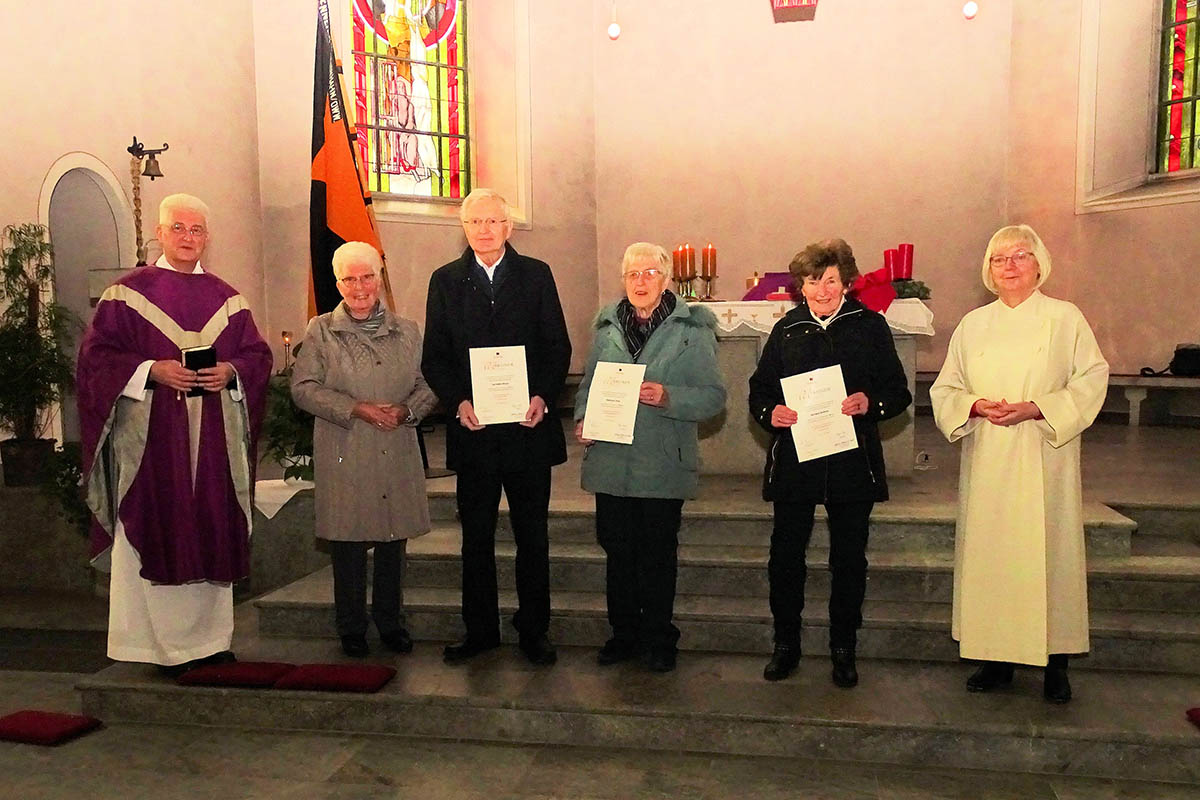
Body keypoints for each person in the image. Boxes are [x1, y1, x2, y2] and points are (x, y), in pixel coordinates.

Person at [76, 193, 272, 676]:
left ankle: (211, 641)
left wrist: (230, 370)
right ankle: (158, 648)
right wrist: (149, 370)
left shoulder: (229, 299)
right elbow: (95, 359)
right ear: (160, 234)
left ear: (208, 237)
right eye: (179, 229)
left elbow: (258, 357)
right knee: (159, 525)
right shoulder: (126, 294)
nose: (188, 238)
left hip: (214, 448)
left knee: (210, 525)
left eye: (197, 230)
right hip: (153, 447)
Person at [929, 224, 1108, 704]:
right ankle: (996, 658)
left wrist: (1037, 408)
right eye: (998, 259)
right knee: (993, 556)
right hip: (989, 455)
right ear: (988, 269)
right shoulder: (973, 324)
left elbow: (1092, 378)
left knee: (1049, 553)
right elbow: (945, 388)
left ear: (1039, 263)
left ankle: (1056, 663)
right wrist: (974, 405)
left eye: (1019, 256)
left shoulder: (1064, 318)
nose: (1008, 266)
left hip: (1043, 452)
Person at [748, 239, 911, 687]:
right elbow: (760, 391)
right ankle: (786, 644)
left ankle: (844, 648)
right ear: (801, 285)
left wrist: (869, 403)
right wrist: (771, 414)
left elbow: (899, 393)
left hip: (851, 463)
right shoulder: (786, 330)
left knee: (848, 559)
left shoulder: (870, 327)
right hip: (797, 464)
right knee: (785, 557)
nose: (822, 289)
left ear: (847, 282)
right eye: (813, 280)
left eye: (832, 280)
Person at [421, 188, 571, 666]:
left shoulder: (536, 275)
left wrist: (543, 396)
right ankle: (480, 630)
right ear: (463, 229)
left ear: (508, 227)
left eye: (492, 221)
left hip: (528, 429)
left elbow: (557, 346)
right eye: (474, 222)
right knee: (476, 538)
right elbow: (435, 357)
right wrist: (456, 401)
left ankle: (534, 631)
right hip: (476, 431)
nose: (483, 230)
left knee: (533, 537)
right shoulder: (445, 281)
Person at [573, 243, 726, 672]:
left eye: (649, 274)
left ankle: (660, 638)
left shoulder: (691, 330)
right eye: (632, 274)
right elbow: (588, 385)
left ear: (666, 280)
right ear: (623, 281)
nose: (641, 282)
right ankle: (623, 634)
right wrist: (584, 419)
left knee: (657, 555)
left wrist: (669, 396)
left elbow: (714, 397)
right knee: (618, 552)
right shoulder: (605, 328)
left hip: (661, 461)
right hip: (611, 462)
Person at [291, 242, 437, 658]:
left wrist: (409, 410)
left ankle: (391, 622)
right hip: (346, 445)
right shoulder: (320, 329)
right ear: (338, 283)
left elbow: (429, 383)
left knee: (394, 541)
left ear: (379, 279)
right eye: (349, 279)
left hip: (396, 442)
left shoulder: (408, 330)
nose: (359, 287)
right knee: (349, 543)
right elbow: (303, 389)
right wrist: (355, 408)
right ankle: (351, 626)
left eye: (367, 276)